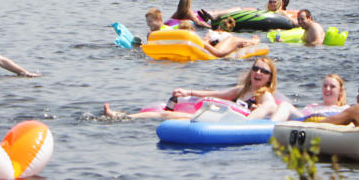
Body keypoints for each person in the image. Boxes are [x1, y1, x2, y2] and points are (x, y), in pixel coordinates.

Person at [103, 57, 281, 120]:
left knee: (166, 115)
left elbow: (269, 108)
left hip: (226, 124)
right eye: (255, 68)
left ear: (269, 77)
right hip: (217, 119)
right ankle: (122, 116)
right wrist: (189, 92)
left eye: (263, 71)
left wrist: (258, 112)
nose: (258, 73)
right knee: (164, 114)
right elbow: (216, 93)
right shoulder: (242, 90)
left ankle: (121, 117)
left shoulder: (265, 96)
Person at [271, 73, 349, 122]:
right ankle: (270, 127)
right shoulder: (313, 106)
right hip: (306, 123)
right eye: (325, 86)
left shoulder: (345, 109)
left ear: (340, 91)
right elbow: (300, 117)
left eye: (332, 86)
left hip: (327, 127)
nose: (327, 89)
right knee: (285, 105)